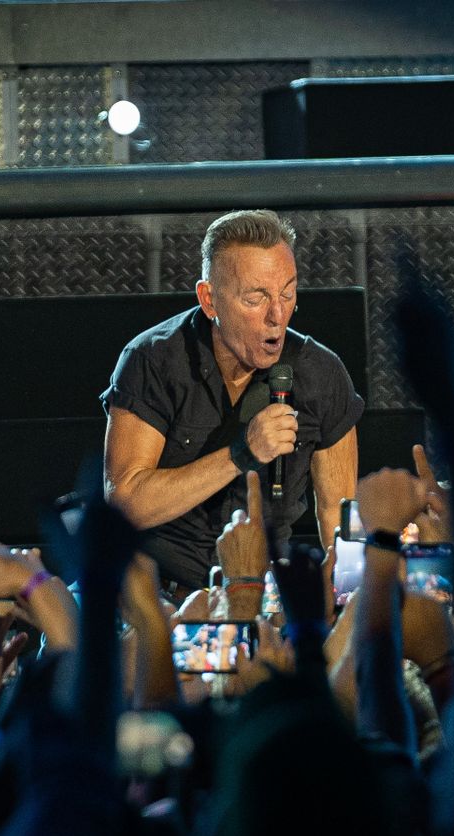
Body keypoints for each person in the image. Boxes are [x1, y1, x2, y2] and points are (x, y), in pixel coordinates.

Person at [102, 209, 364, 593]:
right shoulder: (153, 360)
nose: (277, 316)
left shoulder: (320, 374)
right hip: (156, 590)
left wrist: (347, 606)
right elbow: (125, 503)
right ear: (209, 300)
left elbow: (339, 518)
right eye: (256, 298)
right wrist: (241, 454)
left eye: (287, 293)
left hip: (263, 591)